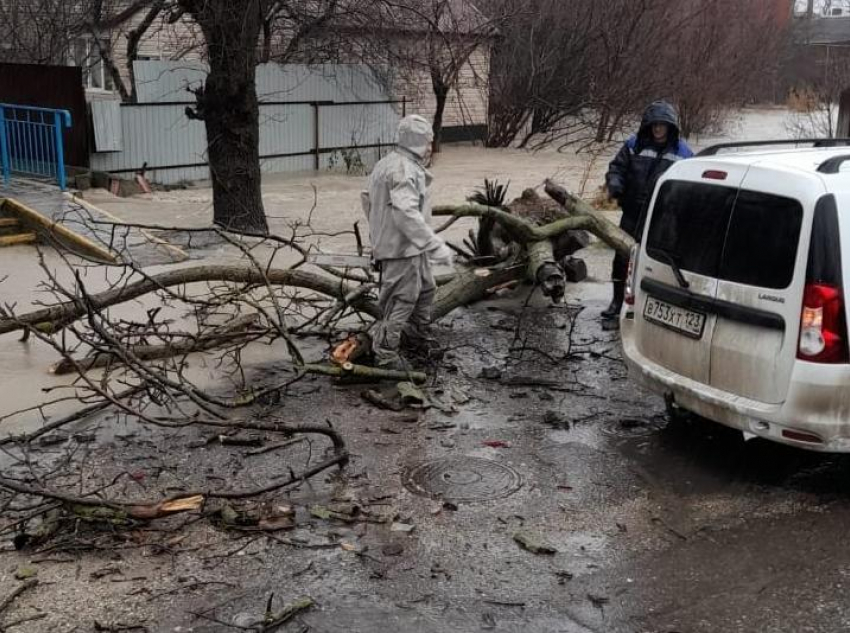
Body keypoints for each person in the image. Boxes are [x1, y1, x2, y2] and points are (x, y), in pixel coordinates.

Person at [361, 114, 454, 370]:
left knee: (426, 290)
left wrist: (378, 234)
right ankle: (387, 354)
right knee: (401, 301)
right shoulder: (403, 170)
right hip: (403, 250)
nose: (429, 148)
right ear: (416, 141)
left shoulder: (386, 164)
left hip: (410, 248)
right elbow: (405, 213)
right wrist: (434, 244)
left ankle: (416, 338)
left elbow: (366, 199)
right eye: (427, 142)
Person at [602, 100, 694, 320]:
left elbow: (690, 186)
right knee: (622, 258)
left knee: (659, 262)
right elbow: (617, 168)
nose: (658, 129)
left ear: (670, 127)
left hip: (662, 220)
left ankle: (655, 306)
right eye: (654, 124)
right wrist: (615, 185)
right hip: (632, 213)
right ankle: (617, 302)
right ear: (648, 125)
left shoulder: (684, 153)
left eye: (662, 125)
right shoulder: (634, 144)